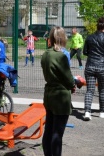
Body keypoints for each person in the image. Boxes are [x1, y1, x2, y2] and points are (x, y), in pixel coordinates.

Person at [41, 26, 75, 156]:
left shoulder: (46, 54)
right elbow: (68, 78)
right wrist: (74, 84)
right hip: (60, 97)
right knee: (57, 134)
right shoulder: (60, 56)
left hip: (49, 94)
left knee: (48, 130)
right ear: (62, 38)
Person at [82, 17, 104, 121]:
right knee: (102, 90)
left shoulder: (89, 37)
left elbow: (85, 52)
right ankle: (102, 112)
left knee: (89, 90)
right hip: (102, 67)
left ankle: (87, 112)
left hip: (90, 66)